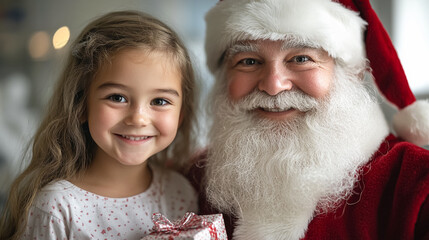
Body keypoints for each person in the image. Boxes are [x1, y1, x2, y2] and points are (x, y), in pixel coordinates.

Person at [188, 0, 429, 239]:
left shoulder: (415, 182)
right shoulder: (190, 181)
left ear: (352, 72)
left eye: (301, 58)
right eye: (248, 61)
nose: (273, 86)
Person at [0, 10, 199, 240]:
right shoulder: (56, 208)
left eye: (160, 101)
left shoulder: (181, 191)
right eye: (117, 97)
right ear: (81, 105)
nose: (138, 118)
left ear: (181, 114)